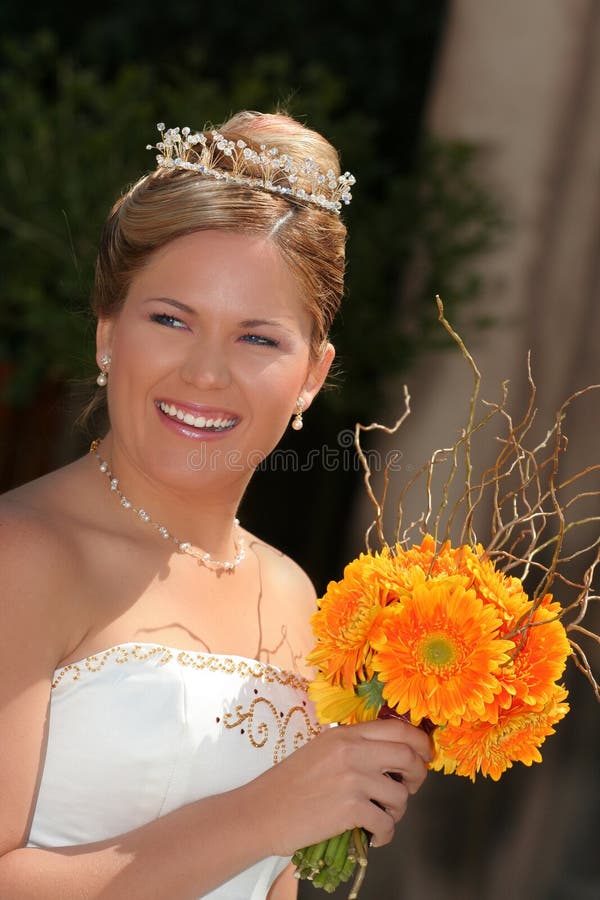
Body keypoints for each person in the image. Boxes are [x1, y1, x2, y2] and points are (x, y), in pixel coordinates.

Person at [0, 111, 432, 899]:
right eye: (171, 319)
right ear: (107, 332)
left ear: (311, 374)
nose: (205, 372)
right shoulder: (23, 556)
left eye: (258, 339)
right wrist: (267, 814)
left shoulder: (299, 599)